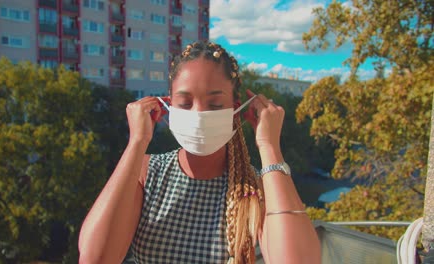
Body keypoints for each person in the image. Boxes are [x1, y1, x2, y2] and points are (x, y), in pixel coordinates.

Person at [78, 41, 321, 264]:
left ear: (235, 110)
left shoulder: (255, 188)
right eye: (184, 104)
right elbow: (95, 258)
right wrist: (137, 141)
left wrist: (269, 147)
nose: (199, 114)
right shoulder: (146, 173)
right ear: (168, 106)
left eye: (215, 105)